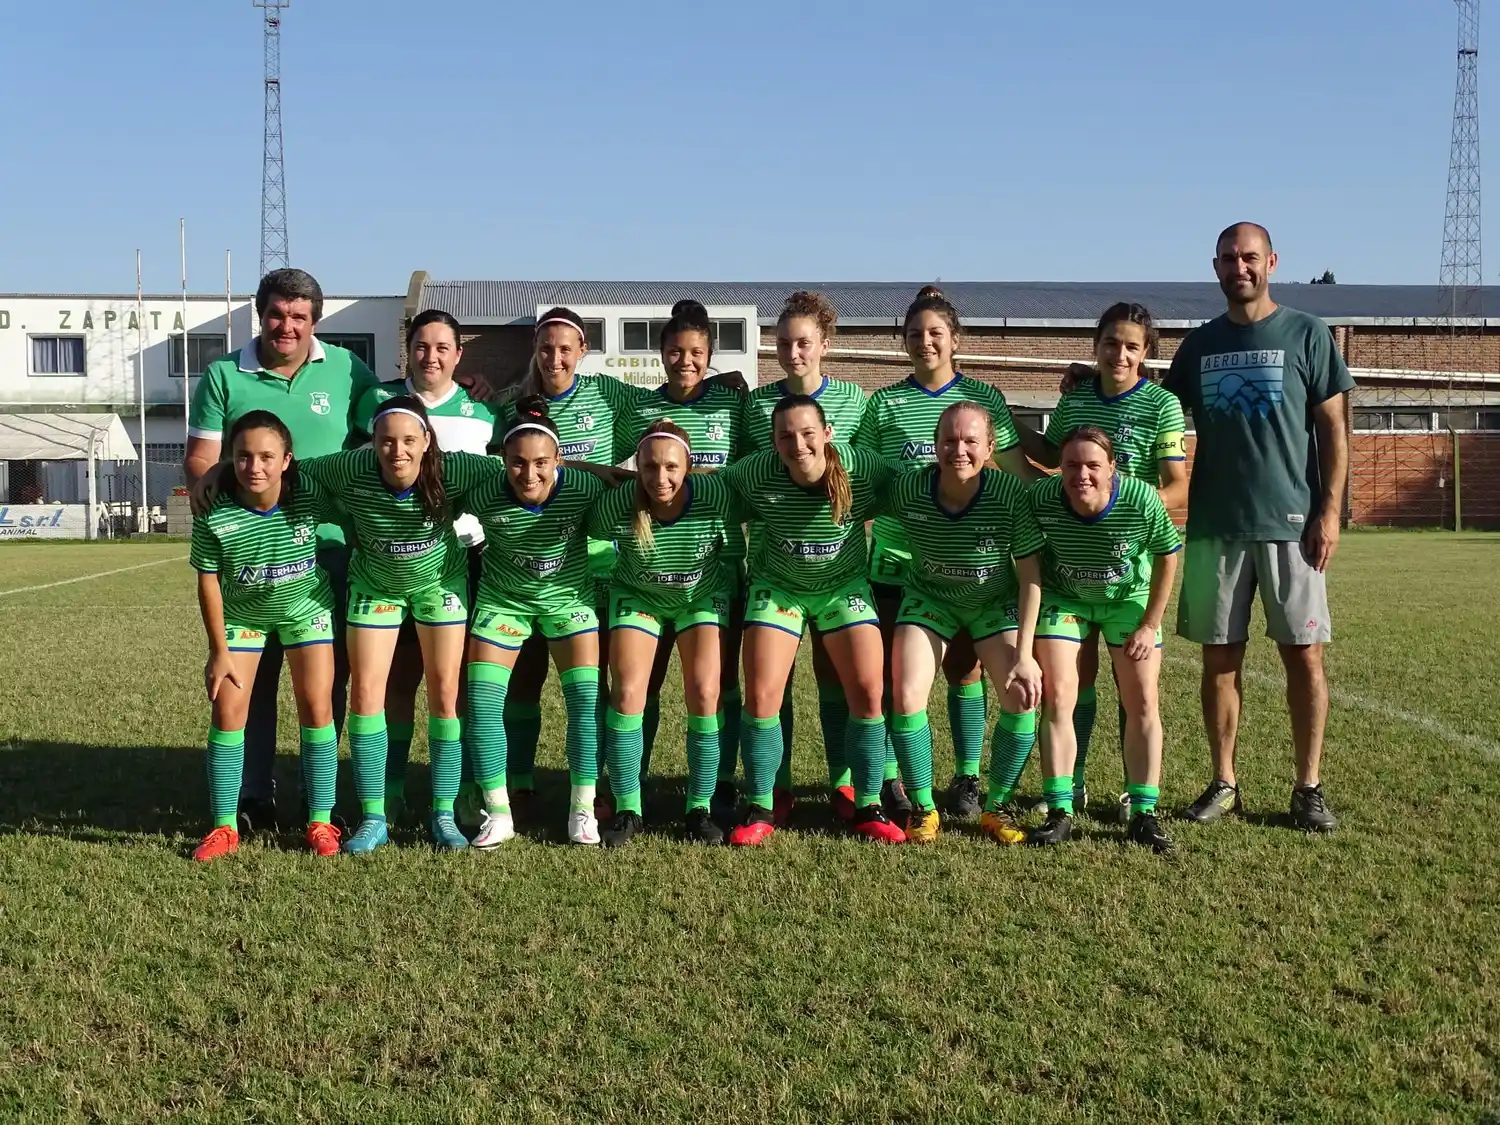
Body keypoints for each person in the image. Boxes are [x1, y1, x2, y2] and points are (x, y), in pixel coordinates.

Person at [1168, 222, 1353, 832]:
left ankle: (1308, 787)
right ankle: (1224, 783)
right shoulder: (1198, 346)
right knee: (1220, 661)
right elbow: (1153, 405)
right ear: (1215, 266)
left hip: (1292, 525)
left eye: (1250, 257)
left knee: (1305, 658)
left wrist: (1329, 510)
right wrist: (1091, 380)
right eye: (1228, 259)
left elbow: (1333, 430)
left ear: (1271, 261)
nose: (1239, 267)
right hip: (1215, 528)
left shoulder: (1307, 333)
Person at [185, 268, 380, 834]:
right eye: (277, 314)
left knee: (324, 681)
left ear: (314, 321)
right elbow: (201, 461)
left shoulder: (346, 367)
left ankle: (321, 798)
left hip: (330, 550)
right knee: (254, 678)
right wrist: (219, 476)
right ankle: (254, 795)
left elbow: (397, 410)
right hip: (250, 554)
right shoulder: (224, 373)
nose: (287, 326)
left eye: (299, 317)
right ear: (259, 314)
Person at [854, 285, 1040, 821]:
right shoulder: (885, 402)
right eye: (915, 334)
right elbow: (869, 478)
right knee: (899, 678)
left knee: (964, 672)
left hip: (977, 565)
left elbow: (1019, 473)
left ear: (955, 339)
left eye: (936, 333)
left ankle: (967, 777)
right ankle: (895, 780)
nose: (925, 342)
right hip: (900, 560)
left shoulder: (985, 398)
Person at [295, 396, 506, 854]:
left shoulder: (456, 469)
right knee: (367, 695)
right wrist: (221, 473)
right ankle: (375, 816)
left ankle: (444, 814)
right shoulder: (349, 467)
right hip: (375, 586)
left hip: (440, 583)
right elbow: (290, 470)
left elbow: (527, 468)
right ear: (372, 443)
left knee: (446, 694)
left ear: (427, 442)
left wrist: (610, 477)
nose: (398, 451)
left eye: (409, 440)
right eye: (387, 441)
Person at [1016, 302, 1189, 818]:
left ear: (1146, 353)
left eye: (1132, 346)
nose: (1120, 354)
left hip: (1126, 571)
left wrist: (1128, 506)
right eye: (1111, 343)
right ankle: (1076, 785)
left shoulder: (1162, 405)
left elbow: (1178, 485)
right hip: (1070, 567)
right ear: (1096, 347)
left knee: (1135, 691)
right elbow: (1050, 458)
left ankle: (1139, 800)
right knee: (1074, 683)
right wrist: (1000, 424)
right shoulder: (1074, 402)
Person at [720, 395, 904, 846]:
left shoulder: (862, 466)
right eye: (785, 435)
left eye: (806, 433)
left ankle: (866, 803)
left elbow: (912, 487)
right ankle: (762, 802)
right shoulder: (755, 470)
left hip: (844, 589)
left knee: (868, 689)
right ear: (773, 441)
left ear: (827, 434)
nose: (797, 444)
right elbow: (706, 488)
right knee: (763, 693)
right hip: (778, 588)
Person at [489, 307, 644, 819]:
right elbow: (496, 467)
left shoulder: (608, 393)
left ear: (582, 351)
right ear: (535, 349)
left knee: (592, 683)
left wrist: (720, 385)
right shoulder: (511, 404)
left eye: (565, 348)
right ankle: (520, 777)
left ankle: (597, 780)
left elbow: (666, 403)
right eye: (546, 347)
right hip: (528, 558)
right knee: (525, 675)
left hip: (594, 562)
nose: (555, 357)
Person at [352, 310, 497, 822]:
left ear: (459, 356)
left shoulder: (484, 410)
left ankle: (455, 795)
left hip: (462, 559)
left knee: (452, 682)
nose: (430, 356)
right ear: (406, 351)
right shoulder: (376, 402)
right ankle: (387, 791)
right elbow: (351, 463)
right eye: (421, 346)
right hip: (391, 561)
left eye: (442, 347)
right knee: (395, 681)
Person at [886, 402, 1044, 843]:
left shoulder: (1010, 493)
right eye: (949, 440)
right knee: (905, 692)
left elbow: (1031, 574)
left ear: (990, 446)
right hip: (929, 600)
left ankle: (996, 808)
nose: (959, 449)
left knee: (1022, 694)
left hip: (992, 604)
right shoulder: (908, 488)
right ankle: (922, 806)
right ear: (934, 445)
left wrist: (1026, 654)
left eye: (971, 441)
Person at [1021, 426, 1181, 853]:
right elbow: (1027, 558)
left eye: (1093, 465)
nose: (1082, 475)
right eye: (1071, 465)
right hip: (1065, 598)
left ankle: (1145, 812)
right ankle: (1061, 808)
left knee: (1142, 699)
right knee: (1058, 696)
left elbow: (1168, 555)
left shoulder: (1140, 499)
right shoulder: (1043, 498)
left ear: (1113, 467)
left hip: (1127, 600)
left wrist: (1150, 623)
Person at [188, 411, 340, 861]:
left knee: (318, 708)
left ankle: (320, 819)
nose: (255, 467)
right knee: (228, 712)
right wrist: (219, 651)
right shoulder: (214, 510)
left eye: (267, 457)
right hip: (242, 619)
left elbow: (356, 504)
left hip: (305, 612)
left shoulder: (309, 495)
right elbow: (208, 581)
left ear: (287, 460)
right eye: (243, 456)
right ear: (230, 460)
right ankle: (224, 826)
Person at [739, 290, 868, 822]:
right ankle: (777, 786)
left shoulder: (857, 402)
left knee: (839, 678)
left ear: (824, 345)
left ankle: (845, 785)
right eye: (784, 343)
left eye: (804, 343)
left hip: (842, 572)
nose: (794, 353)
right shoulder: (756, 404)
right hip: (777, 571)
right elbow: (748, 482)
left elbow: (870, 481)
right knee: (774, 682)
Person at [616, 300, 748, 816]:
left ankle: (722, 780)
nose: (684, 361)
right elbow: (611, 465)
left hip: (720, 563)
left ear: (710, 353)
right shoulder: (642, 410)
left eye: (696, 352)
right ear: (660, 353)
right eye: (674, 351)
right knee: (639, 683)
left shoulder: (732, 405)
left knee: (720, 684)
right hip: (650, 561)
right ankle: (631, 781)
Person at [463, 396, 611, 846]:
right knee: (483, 703)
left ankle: (583, 810)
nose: (529, 474)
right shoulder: (482, 488)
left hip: (568, 602)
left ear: (559, 460)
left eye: (541, 463)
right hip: (504, 601)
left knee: (586, 700)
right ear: (501, 460)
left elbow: (631, 483)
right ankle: (499, 812)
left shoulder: (584, 489)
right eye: (518, 463)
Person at [587, 420, 740, 846]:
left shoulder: (714, 494)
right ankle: (628, 807)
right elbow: (589, 530)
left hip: (700, 598)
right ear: (637, 466)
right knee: (628, 693)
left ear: (688, 466)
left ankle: (699, 806)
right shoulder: (620, 502)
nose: (660, 477)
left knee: (705, 693)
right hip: (639, 596)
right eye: (649, 467)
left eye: (671, 467)